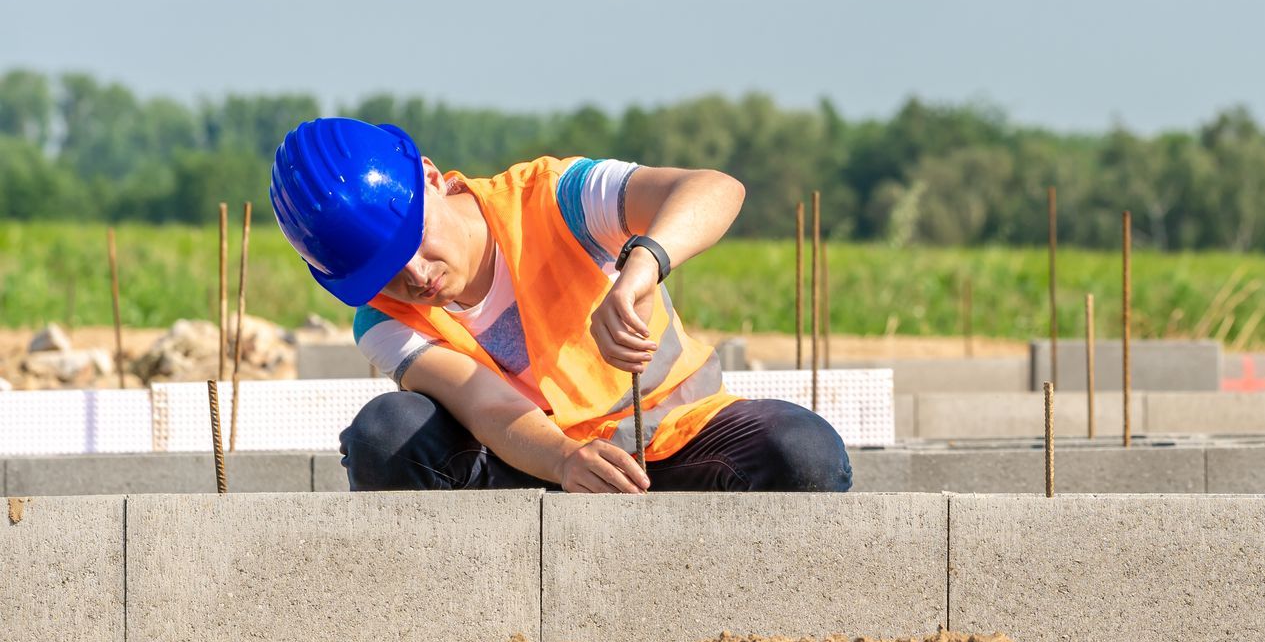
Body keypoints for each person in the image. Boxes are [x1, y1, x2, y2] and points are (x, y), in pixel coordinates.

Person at [269, 117, 850, 493]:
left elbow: (716, 189)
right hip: (535, 467)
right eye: (386, 274)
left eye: (413, 243)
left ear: (430, 178)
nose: (417, 276)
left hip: (676, 440)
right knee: (385, 434)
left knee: (804, 455)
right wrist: (567, 460)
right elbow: (485, 405)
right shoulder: (382, 320)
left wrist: (640, 267)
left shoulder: (555, 198)